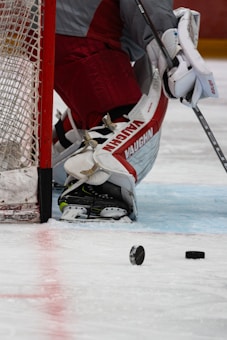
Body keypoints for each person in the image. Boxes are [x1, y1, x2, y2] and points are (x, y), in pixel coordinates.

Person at [52, 1, 218, 221]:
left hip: (46, 32)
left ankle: (56, 159)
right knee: (134, 110)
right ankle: (99, 184)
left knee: (99, 105)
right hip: (80, 38)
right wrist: (172, 49)